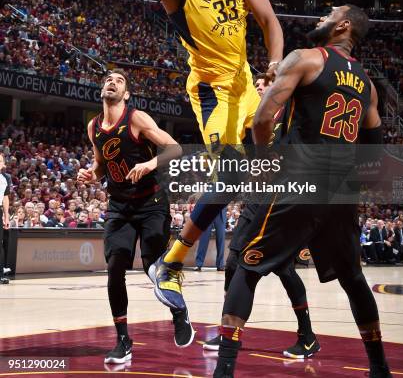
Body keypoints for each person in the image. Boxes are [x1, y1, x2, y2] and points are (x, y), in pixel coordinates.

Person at [85, 0, 283, 312]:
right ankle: (171, 263)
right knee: (229, 174)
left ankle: (275, 242)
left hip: (248, 83)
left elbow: (270, 21)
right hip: (213, 91)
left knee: (278, 163)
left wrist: (274, 66)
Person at [213, 5, 391, 378]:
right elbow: (375, 149)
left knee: (245, 264)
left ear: (342, 26)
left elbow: (262, 118)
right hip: (340, 191)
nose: (320, 17)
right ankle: (379, 369)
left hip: (300, 178)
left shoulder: (307, 58)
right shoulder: (369, 85)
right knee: (353, 278)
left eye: (329, 13)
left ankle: (224, 370)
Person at [77, 68, 191, 365]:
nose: (111, 82)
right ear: (102, 89)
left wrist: (151, 163)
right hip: (119, 206)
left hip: (151, 202)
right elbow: (102, 163)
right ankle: (123, 340)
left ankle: (179, 313)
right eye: (107, 79)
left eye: (119, 80)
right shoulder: (93, 127)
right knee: (115, 267)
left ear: (126, 93)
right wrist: (92, 174)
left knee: (155, 268)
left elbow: (175, 148)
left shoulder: (136, 118)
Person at [204, 75, 319, 359]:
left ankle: (307, 336)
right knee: (233, 263)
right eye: (255, 84)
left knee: (283, 269)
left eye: (264, 82)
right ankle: (229, 331)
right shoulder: (254, 119)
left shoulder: (289, 113)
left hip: (282, 200)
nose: (258, 86)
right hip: (254, 200)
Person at [195, 208, 227, 272]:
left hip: (220, 212)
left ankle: (220, 265)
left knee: (221, 240)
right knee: (204, 239)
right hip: (208, 211)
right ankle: (199, 264)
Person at [0, 153, 11, 284]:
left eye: (0, 160)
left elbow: (6, 198)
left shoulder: (4, 178)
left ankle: (1, 274)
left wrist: (6, 215)